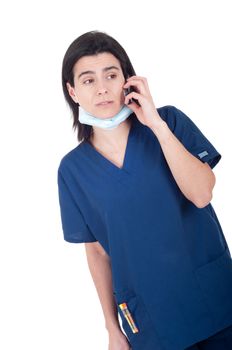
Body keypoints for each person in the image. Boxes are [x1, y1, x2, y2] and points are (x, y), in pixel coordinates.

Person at [57, 30, 232, 350]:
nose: (102, 88)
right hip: (150, 321)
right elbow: (96, 252)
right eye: (88, 80)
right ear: (72, 91)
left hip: (215, 303)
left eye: (111, 75)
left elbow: (202, 194)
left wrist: (156, 125)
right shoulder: (72, 170)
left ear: (128, 79)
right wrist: (112, 328)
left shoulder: (170, 122)